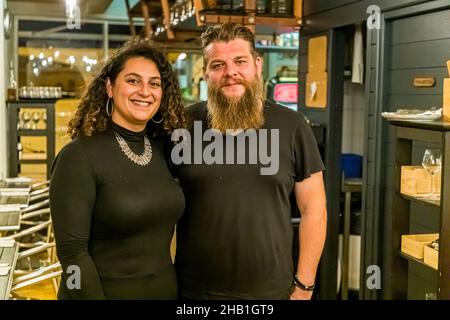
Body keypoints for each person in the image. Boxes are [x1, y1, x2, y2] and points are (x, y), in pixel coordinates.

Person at [173, 22, 327, 300]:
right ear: (206, 73)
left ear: (257, 65)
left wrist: (304, 288)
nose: (230, 72)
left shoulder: (292, 126)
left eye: (240, 61)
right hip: (194, 292)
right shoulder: (181, 125)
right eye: (218, 64)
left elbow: (314, 210)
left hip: (272, 292)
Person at [49, 41, 186, 299]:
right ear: (110, 87)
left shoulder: (164, 150)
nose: (145, 91)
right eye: (133, 81)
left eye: (154, 83)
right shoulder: (78, 157)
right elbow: (72, 257)